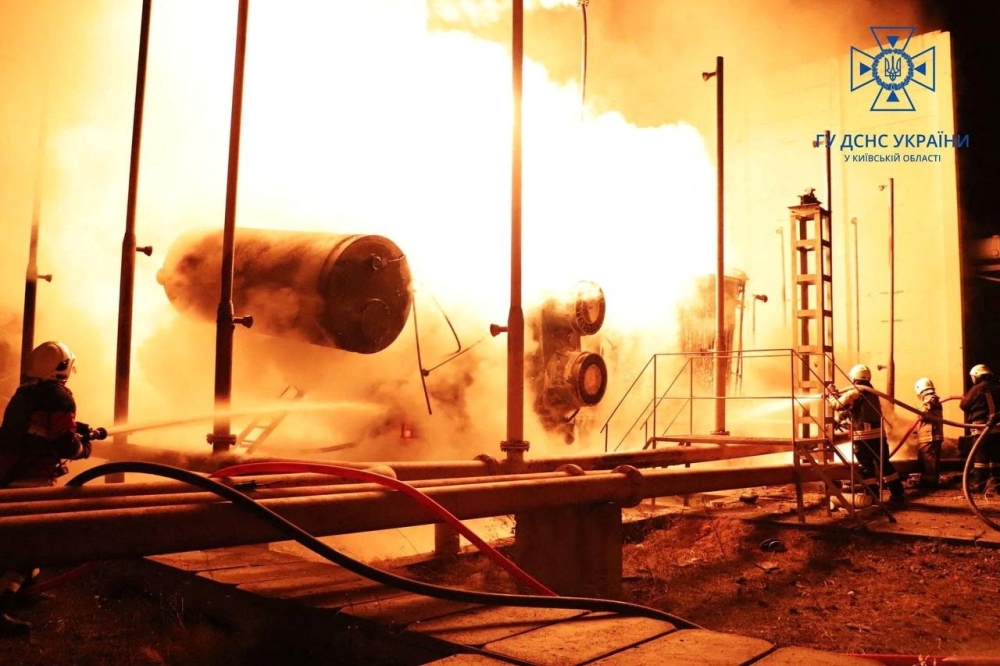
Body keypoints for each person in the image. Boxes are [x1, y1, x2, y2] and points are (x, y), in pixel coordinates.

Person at [0, 341, 97, 637]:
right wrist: (84, 447)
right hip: (33, 478)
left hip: (10, 474)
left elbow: (33, 427)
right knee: (34, 539)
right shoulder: (60, 398)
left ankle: (25, 592)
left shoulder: (23, 393)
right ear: (63, 368)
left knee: (24, 537)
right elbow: (62, 443)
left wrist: (76, 427)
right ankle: (5, 599)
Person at [831, 363, 905, 505]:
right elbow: (852, 408)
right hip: (878, 436)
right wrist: (838, 419)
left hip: (862, 437)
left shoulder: (856, 391)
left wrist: (829, 394)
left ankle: (872, 496)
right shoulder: (871, 392)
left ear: (853, 377)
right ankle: (898, 493)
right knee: (885, 465)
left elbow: (837, 405)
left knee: (866, 468)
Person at [959, 363, 1000, 493]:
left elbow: (964, 404)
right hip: (997, 428)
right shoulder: (997, 387)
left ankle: (979, 484)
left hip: (981, 428)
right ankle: (996, 485)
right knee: (996, 457)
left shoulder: (977, 388)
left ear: (976, 376)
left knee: (980, 458)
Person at [913, 377, 944, 489]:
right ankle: (926, 482)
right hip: (929, 436)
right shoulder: (933, 398)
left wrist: (917, 408)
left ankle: (930, 485)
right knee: (926, 461)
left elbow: (923, 413)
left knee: (929, 462)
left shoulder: (930, 398)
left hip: (930, 436)